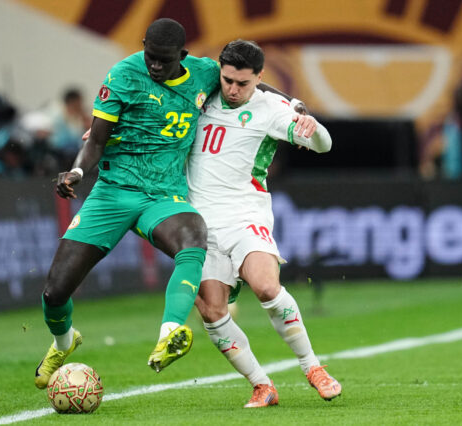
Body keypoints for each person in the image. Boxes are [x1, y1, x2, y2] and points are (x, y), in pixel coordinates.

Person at [35, 18, 231, 389]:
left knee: (193, 237)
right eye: (149, 56)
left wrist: (292, 106)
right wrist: (76, 172)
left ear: (182, 56)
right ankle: (64, 342)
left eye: (163, 60)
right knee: (54, 292)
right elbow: (96, 141)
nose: (154, 65)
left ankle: (170, 333)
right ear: (143, 46)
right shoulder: (123, 76)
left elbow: (248, 83)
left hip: (164, 194)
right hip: (113, 192)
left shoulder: (205, 73)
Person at [187, 40, 340, 407]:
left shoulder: (272, 109)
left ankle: (313, 367)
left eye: (242, 83)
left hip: (245, 214)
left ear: (259, 77)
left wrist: (312, 125)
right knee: (211, 311)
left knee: (267, 287)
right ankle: (261, 384)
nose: (233, 89)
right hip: (197, 222)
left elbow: (324, 145)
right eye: (227, 80)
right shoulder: (200, 95)